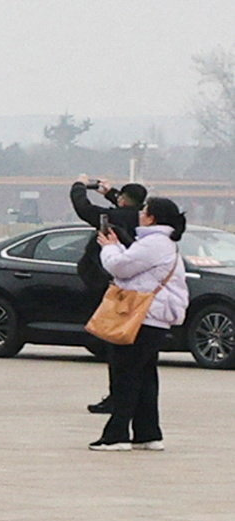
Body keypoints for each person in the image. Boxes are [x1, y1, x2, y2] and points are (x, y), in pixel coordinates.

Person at [91, 189, 183, 449]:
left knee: (125, 376)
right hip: (153, 319)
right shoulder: (161, 244)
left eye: (144, 212)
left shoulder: (154, 243)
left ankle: (116, 435)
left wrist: (108, 250)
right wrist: (117, 246)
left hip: (141, 317)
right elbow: (134, 267)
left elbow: (119, 267)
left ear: (152, 218)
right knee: (144, 377)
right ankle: (147, 433)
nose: (140, 215)